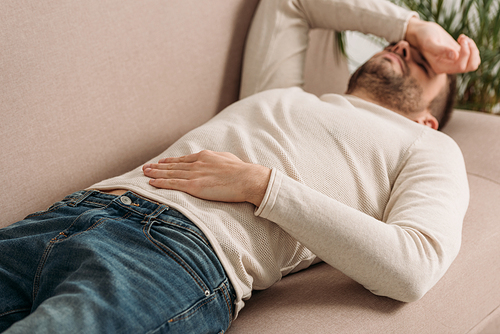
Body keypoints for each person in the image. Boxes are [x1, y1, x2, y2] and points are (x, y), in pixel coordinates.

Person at [0, 0, 480, 333]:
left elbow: (413, 267)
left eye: (423, 64)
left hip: (179, 253)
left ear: (430, 119)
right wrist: (414, 27)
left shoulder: (428, 147)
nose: (400, 50)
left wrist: (263, 186)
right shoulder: (282, 93)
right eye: (399, 44)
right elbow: (292, 5)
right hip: (74, 212)